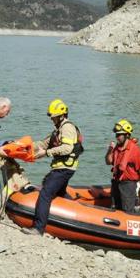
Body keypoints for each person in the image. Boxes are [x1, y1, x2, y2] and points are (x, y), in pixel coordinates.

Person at [23, 99, 83, 235]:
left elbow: (67, 148)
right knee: (61, 193)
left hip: (64, 169)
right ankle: (76, 214)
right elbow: (44, 143)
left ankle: (38, 228)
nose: (52, 119)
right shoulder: (58, 129)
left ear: (61, 115)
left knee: (45, 194)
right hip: (61, 168)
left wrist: (47, 153)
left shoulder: (67, 128)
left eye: (54, 117)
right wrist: (25, 147)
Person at [105, 119, 140, 213]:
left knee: (127, 211)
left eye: (119, 135)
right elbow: (108, 162)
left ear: (127, 135)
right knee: (114, 208)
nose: (117, 137)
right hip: (116, 183)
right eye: (116, 135)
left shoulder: (135, 150)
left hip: (128, 185)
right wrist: (109, 151)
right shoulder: (117, 148)